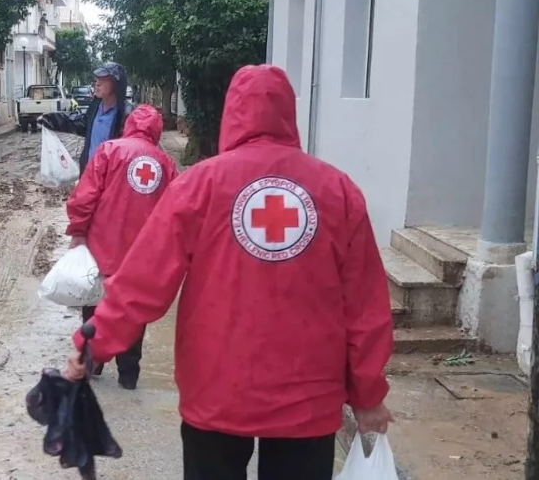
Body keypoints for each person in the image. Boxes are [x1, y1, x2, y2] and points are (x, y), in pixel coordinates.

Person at [58, 65, 395, 480]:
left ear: (232, 113)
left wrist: (92, 344)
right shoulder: (337, 191)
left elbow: (142, 284)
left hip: (215, 390)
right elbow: (365, 306)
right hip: (307, 396)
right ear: (288, 113)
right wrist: (368, 394)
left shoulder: (199, 185)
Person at [65, 104, 178, 390]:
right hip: (142, 256)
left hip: (102, 248)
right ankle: (129, 376)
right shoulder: (166, 163)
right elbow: (176, 210)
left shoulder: (108, 151)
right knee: (133, 312)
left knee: (95, 306)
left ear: (129, 124)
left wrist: (78, 230)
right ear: (156, 130)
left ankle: (91, 364)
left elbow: (85, 196)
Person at [39, 62, 135, 173]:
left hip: (111, 179)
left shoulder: (127, 115)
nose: (97, 83)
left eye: (104, 79)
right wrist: (49, 119)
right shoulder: (95, 106)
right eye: (97, 79)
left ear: (116, 84)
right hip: (89, 176)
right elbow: (81, 124)